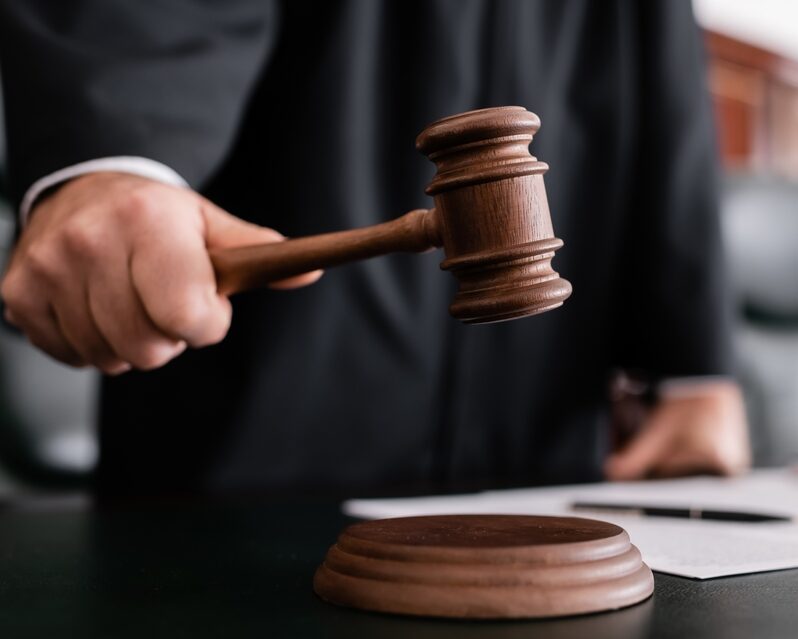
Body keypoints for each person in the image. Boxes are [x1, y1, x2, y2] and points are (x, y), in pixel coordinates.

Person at [0, 0, 749, 498]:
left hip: (546, 436)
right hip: (252, 447)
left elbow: (667, 77)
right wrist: (116, 159)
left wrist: (695, 363)